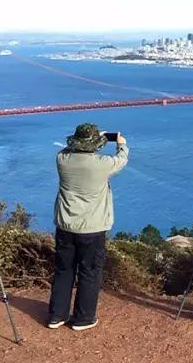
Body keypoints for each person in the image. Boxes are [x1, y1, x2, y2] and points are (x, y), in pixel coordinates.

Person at [47, 123, 129, 330]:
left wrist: (84, 140)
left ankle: (57, 316)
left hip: (65, 226)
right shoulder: (102, 164)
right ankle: (83, 318)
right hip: (92, 228)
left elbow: (66, 149)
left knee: (63, 270)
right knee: (89, 271)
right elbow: (122, 159)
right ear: (95, 145)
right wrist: (121, 144)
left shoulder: (62, 159)